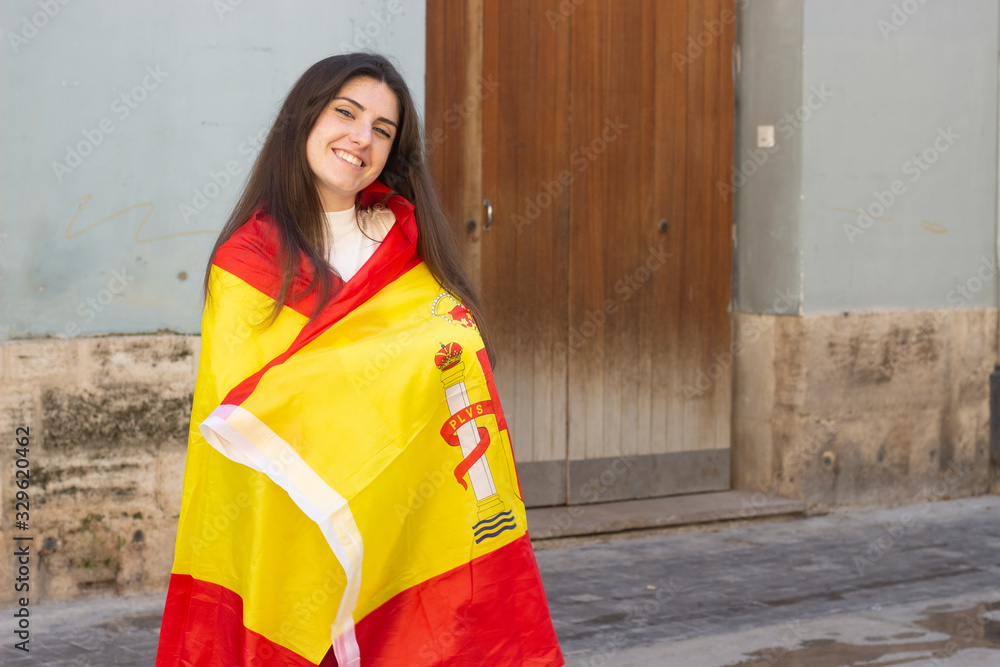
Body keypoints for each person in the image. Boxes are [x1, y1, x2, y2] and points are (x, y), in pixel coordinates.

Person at [155, 53, 564, 667]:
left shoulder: (409, 246)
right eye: (345, 113)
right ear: (304, 119)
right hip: (294, 524)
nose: (360, 137)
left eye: (382, 128)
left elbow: (451, 378)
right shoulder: (248, 263)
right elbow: (247, 407)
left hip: (406, 526)